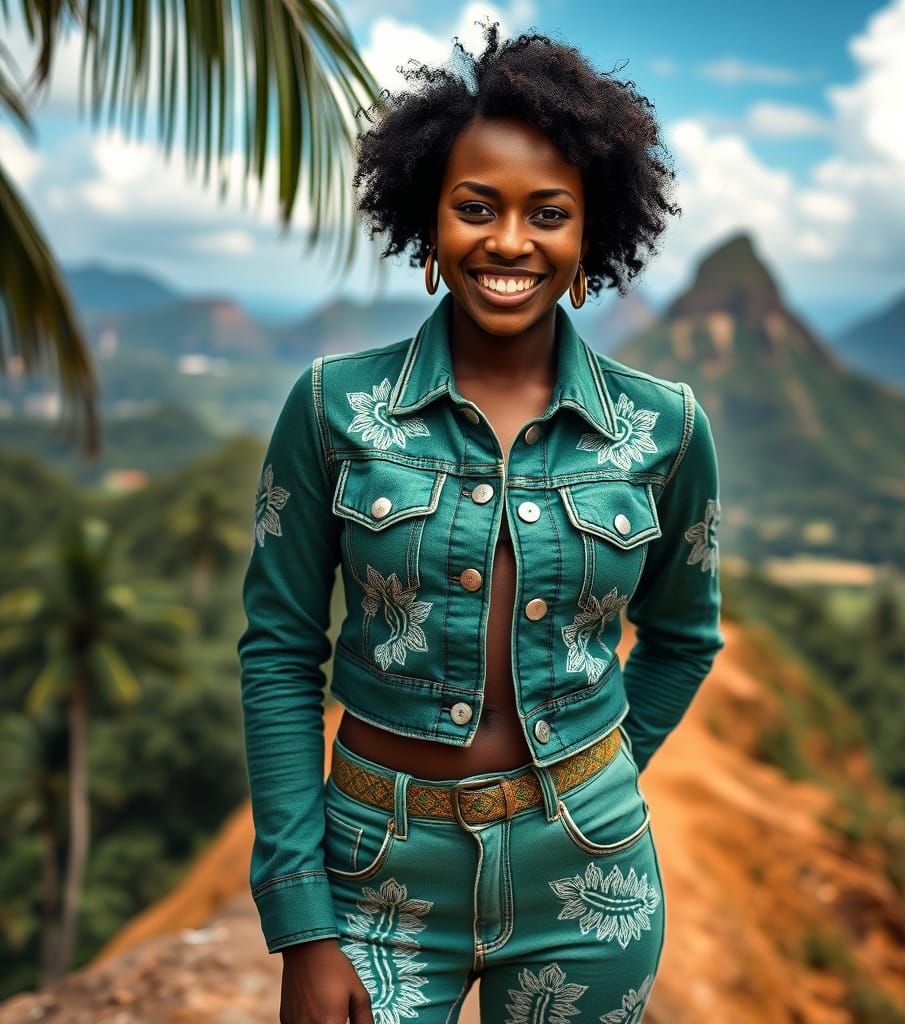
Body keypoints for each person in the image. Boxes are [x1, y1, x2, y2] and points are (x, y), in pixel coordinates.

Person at [237, 21, 725, 1024]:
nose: (509, 240)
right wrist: (301, 924)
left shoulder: (666, 429)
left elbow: (684, 636)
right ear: (430, 223)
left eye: (548, 213)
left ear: (588, 238)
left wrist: (596, 780)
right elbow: (278, 652)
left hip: (588, 880)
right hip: (376, 875)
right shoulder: (331, 407)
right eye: (476, 207)